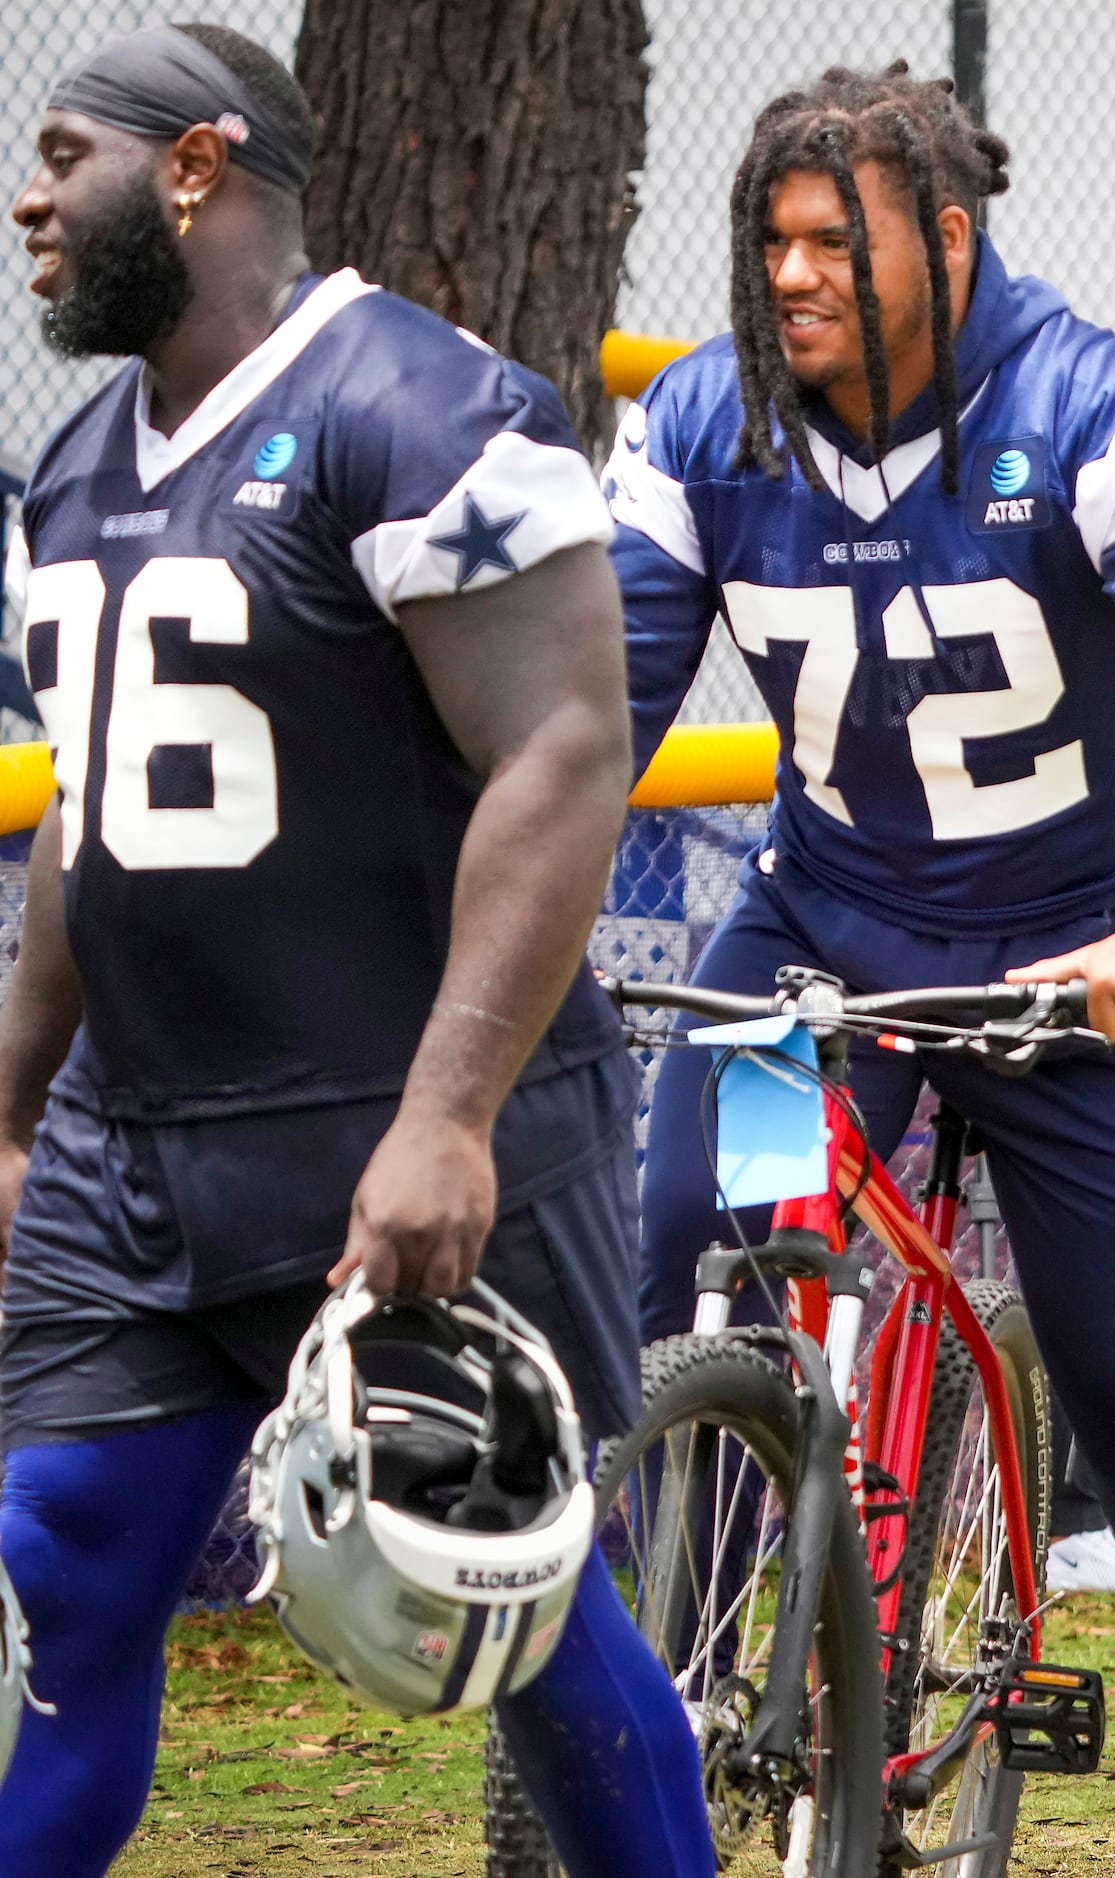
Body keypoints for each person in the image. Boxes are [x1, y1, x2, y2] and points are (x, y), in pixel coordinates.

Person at [0, 25, 714, 1876]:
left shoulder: (425, 408)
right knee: (62, 1579)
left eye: (63, 154)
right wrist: (14, 1106)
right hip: (137, 1152)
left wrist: (448, 1116)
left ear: (191, 167)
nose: (29, 198)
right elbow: (102, 811)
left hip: (397, 1135)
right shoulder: (79, 468)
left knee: (522, 1625)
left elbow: (562, 750)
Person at [608, 64, 1115, 1877]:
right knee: (706, 1239)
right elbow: (586, 698)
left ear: (945, 231)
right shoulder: (705, 423)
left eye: (828, 238)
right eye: (767, 239)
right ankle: (716, 1662)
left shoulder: (1108, 406)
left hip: (1087, 975)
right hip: (819, 942)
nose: (788, 275)